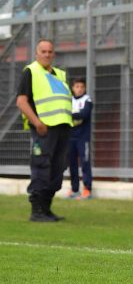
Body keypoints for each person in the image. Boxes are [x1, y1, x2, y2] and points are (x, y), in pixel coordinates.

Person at [16, 39, 73, 222]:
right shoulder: (31, 71)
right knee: (41, 166)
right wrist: (37, 123)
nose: (47, 54)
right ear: (36, 53)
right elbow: (21, 102)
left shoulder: (60, 75)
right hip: (44, 129)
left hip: (62, 128)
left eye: (50, 51)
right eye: (43, 51)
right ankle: (37, 211)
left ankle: (46, 209)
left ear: (53, 54)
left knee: (58, 168)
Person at [67, 78, 94, 200]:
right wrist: (74, 114)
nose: (79, 89)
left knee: (85, 162)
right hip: (70, 137)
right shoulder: (69, 100)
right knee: (72, 164)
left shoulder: (87, 100)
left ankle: (87, 189)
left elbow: (84, 114)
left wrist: (71, 114)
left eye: (82, 87)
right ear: (73, 88)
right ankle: (74, 189)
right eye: (77, 86)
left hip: (83, 138)